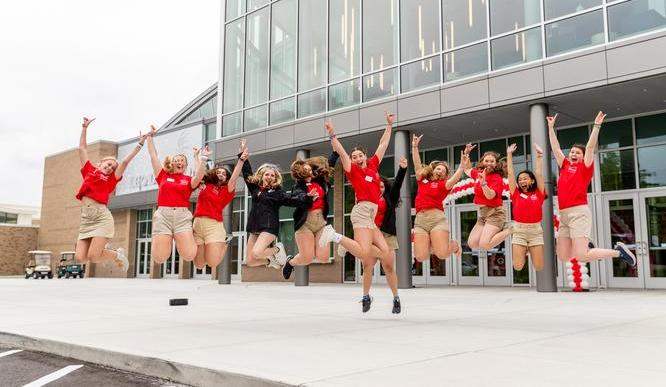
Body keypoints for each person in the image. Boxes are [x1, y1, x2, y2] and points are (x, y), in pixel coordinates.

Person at [319, 112, 401, 314]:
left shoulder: (373, 165)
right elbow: (340, 151)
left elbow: (382, 145)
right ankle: (336, 237)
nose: (356, 158)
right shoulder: (351, 170)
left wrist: (389, 126)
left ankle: (348, 245)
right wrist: (332, 135)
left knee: (384, 252)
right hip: (362, 212)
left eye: (359, 155)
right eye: (354, 157)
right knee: (365, 254)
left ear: (365, 156)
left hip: (371, 217)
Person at [547, 112, 635, 289]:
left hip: (579, 212)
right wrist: (550, 128)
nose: (573, 154)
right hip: (564, 214)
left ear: (582, 156)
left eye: (577, 152)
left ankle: (618, 252)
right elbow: (556, 149)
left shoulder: (585, 168)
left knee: (580, 255)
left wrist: (596, 126)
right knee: (563, 255)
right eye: (572, 151)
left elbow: (590, 147)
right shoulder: (564, 165)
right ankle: (586, 245)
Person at [75, 117, 144, 273]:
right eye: (108, 164)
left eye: (113, 167)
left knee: (93, 257)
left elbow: (125, 162)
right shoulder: (89, 170)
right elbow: (81, 149)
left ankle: (116, 255)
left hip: (101, 217)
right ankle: (114, 253)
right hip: (86, 218)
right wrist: (84, 127)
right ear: (100, 163)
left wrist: (139, 144)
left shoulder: (111, 179)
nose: (110, 168)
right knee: (80, 258)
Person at [240, 142, 317, 269]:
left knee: (257, 252)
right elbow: (247, 173)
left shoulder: (278, 193)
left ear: (275, 178)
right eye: (267, 174)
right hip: (254, 227)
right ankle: (271, 262)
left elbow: (293, 199)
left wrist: (307, 197)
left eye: (272, 175)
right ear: (262, 175)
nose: (269, 176)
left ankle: (277, 249)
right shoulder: (255, 188)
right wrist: (243, 156)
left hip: (269, 227)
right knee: (250, 261)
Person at [146, 124, 208, 268]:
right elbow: (153, 155)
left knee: (189, 255)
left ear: (185, 166)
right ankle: (165, 239)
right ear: (172, 163)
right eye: (177, 160)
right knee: (160, 258)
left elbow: (199, 176)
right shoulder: (162, 175)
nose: (180, 162)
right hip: (163, 216)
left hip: (181, 217)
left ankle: (183, 239)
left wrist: (202, 159)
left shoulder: (187, 180)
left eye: (183, 161)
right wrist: (150, 137)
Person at [411, 134, 467, 264]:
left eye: (443, 170)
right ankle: (433, 242)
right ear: (433, 169)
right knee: (420, 257)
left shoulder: (444, 185)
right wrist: (414, 146)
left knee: (442, 254)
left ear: (445, 175)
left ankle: (453, 245)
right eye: (438, 168)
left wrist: (461, 167)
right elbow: (417, 164)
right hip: (420, 220)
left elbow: (455, 178)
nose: (440, 170)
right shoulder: (422, 180)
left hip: (437, 219)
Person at [282, 152, 339, 280]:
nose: (310, 171)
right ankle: (290, 262)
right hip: (305, 224)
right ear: (302, 173)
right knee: (307, 258)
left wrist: (335, 153)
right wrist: (307, 197)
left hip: (320, 223)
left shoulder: (319, 180)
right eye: (306, 170)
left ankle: (338, 239)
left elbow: (328, 165)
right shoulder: (298, 186)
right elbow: (297, 196)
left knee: (323, 258)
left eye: (309, 168)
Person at [191, 140, 246, 273]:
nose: (221, 174)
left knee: (213, 262)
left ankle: (225, 241)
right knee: (198, 265)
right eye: (219, 172)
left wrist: (241, 159)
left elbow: (233, 177)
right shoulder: (205, 184)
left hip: (213, 225)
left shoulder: (226, 190)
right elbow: (200, 171)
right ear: (214, 173)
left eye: (224, 173)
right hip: (197, 224)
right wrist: (196, 156)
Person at [506, 142, 546, 273]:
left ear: (532, 181)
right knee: (517, 266)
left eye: (525, 179)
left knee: (539, 267)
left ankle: (529, 249)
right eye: (520, 180)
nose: (522, 181)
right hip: (519, 231)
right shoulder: (516, 194)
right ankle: (523, 250)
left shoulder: (539, 193)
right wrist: (509, 155)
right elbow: (511, 174)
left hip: (535, 231)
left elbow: (539, 174)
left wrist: (539, 157)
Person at [463, 145, 512, 252]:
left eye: (492, 161)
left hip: (495, 213)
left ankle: (510, 229)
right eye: (487, 160)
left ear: (496, 164)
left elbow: (490, 196)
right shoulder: (479, 173)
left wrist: (484, 183)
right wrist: (467, 153)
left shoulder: (497, 178)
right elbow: (466, 169)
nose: (489, 163)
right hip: (483, 214)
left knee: (485, 245)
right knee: (472, 244)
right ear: (482, 162)